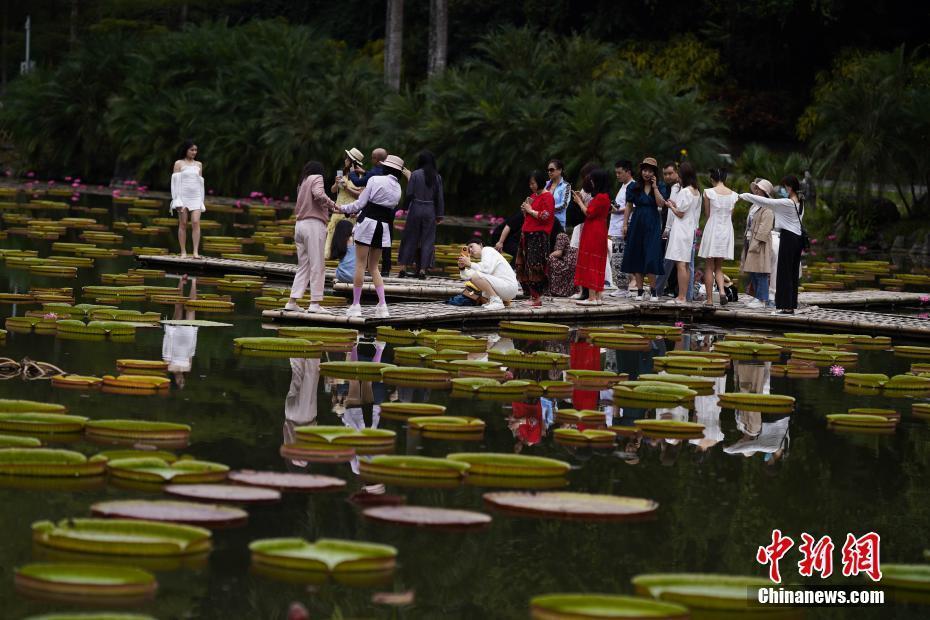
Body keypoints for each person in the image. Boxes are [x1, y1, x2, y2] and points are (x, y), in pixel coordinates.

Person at [336, 154, 405, 318]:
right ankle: (382, 306)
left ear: (385, 167)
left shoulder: (375, 180)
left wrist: (342, 208)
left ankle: (356, 305)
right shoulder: (398, 188)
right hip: (383, 228)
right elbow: (382, 209)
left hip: (367, 225)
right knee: (374, 267)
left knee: (360, 264)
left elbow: (360, 204)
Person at [739, 175, 805, 315]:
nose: (784, 189)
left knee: (784, 274)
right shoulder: (800, 202)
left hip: (788, 238)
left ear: (790, 187)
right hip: (797, 239)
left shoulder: (788, 202)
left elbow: (765, 201)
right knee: (792, 274)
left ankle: (785, 307)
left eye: (785, 186)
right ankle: (790, 306)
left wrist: (744, 195)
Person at [285, 161, 336, 313]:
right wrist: (333, 205)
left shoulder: (303, 182)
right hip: (313, 225)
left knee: (304, 265)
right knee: (317, 264)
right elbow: (319, 194)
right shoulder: (317, 177)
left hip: (299, 225)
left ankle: (292, 301)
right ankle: (314, 304)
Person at [620, 157, 668, 301]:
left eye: (650, 171)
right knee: (637, 255)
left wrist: (654, 188)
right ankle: (640, 291)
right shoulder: (633, 186)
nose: (647, 173)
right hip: (637, 222)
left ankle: (653, 291)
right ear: (641, 171)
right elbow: (629, 206)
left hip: (653, 222)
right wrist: (625, 224)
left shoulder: (660, 185)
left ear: (654, 172)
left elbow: (661, 204)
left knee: (651, 257)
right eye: (645, 170)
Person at [397, 150, 444, 278]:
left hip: (416, 208)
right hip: (430, 210)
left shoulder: (415, 175)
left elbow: (409, 193)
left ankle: (403, 267)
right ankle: (423, 270)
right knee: (427, 240)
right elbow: (439, 198)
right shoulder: (437, 177)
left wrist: (404, 209)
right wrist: (439, 215)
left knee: (409, 238)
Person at [697, 168, 737, 307]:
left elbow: (708, 214)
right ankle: (721, 292)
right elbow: (731, 215)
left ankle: (709, 300)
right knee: (718, 267)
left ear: (712, 179)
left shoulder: (708, 192)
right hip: (726, 229)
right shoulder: (733, 195)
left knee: (709, 267)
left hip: (713, 228)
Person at [515, 170, 555, 307]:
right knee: (524, 264)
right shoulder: (533, 196)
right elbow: (530, 216)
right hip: (527, 234)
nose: (531, 186)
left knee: (535, 265)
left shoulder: (547, 197)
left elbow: (546, 216)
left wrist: (530, 210)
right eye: (530, 183)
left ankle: (537, 298)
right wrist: (526, 211)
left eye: (533, 183)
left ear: (540, 182)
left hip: (538, 236)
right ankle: (532, 295)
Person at [573, 168, 611, 305]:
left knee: (591, 261)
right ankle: (598, 296)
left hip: (594, 230)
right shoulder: (605, 197)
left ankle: (592, 297)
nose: (592, 183)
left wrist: (579, 201)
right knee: (597, 261)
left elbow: (588, 212)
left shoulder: (601, 197)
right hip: (599, 229)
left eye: (593, 181)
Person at [664, 162, 701, 304]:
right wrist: (675, 205)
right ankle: (683, 296)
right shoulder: (696, 191)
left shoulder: (685, 191)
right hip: (689, 229)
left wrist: (670, 206)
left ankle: (681, 296)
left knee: (680, 264)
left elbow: (680, 213)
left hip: (681, 229)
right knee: (685, 264)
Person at [739, 178, 776, 309]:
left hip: (761, 243)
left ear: (764, 192)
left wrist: (756, 242)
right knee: (752, 270)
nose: (756, 191)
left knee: (761, 271)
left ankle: (762, 299)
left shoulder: (768, 207)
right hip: (749, 240)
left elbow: (765, 228)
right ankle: (757, 297)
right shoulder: (754, 205)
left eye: (759, 189)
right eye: (756, 188)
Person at [325, 147, 363, 259]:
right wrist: (337, 184)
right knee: (332, 231)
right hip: (338, 207)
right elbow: (332, 190)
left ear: (352, 161)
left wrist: (346, 188)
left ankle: (345, 259)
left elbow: (360, 195)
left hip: (350, 210)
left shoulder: (361, 176)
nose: (345, 160)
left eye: (347, 158)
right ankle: (329, 255)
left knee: (346, 234)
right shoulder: (343, 174)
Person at [459, 240, 520, 311]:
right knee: (476, 279)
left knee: (476, 276)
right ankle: (496, 301)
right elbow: (467, 276)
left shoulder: (487, 250)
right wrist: (462, 268)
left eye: (471, 246)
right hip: (506, 290)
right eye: (469, 250)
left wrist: (470, 264)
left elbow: (486, 269)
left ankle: (496, 302)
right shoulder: (483, 261)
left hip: (509, 287)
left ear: (480, 245)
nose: (470, 250)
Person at [170, 140, 205, 258]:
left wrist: (201, 200)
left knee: (195, 222)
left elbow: (201, 184)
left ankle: (195, 252)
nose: (194, 152)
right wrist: (177, 200)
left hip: (196, 197)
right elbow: (174, 184)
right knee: (183, 223)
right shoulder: (178, 163)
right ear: (186, 150)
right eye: (192, 150)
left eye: (195, 150)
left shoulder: (199, 164)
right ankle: (183, 251)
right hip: (183, 198)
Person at [163, 275, 198, 389]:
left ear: (174, 381)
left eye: (180, 383)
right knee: (191, 308)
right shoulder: (188, 369)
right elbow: (191, 352)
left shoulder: (168, 367)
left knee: (178, 308)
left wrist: (169, 332)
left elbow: (166, 350)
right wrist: (194, 333)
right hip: (188, 338)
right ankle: (194, 281)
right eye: (183, 382)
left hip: (175, 336)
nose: (181, 380)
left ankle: (181, 281)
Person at [653, 162, 682, 298]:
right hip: (665, 224)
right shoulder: (665, 187)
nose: (668, 176)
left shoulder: (680, 188)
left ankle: (675, 288)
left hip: (677, 226)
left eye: (670, 173)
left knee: (675, 259)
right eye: (665, 174)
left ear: (677, 172)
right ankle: (668, 286)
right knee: (666, 256)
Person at [608, 160, 633, 297]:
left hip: (622, 226)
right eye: (616, 173)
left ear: (628, 172)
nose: (617, 175)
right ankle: (621, 286)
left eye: (620, 172)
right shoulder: (623, 186)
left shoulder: (632, 186)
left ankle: (624, 288)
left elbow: (632, 206)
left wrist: (618, 211)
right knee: (617, 258)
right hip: (616, 226)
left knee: (620, 258)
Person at [546, 232, 577, 297]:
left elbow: (558, 253)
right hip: (572, 264)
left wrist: (546, 258)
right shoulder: (568, 237)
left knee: (550, 259)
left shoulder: (561, 235)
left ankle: (555, 290)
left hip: (567, 264)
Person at [546, 159, 572, 229]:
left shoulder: (566, 186)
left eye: (551, 170)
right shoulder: (545, 184)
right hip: (544, 221)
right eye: (548, 170)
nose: (549, 172)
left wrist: (548, 210)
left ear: (560, 170)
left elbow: (564, 204)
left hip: (558, 223)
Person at [331, 218, 356, 283]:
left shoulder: (340, 241)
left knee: (339, 267)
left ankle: (339, 279)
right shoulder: (355, 240)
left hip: (341, 275)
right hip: (356, 276)